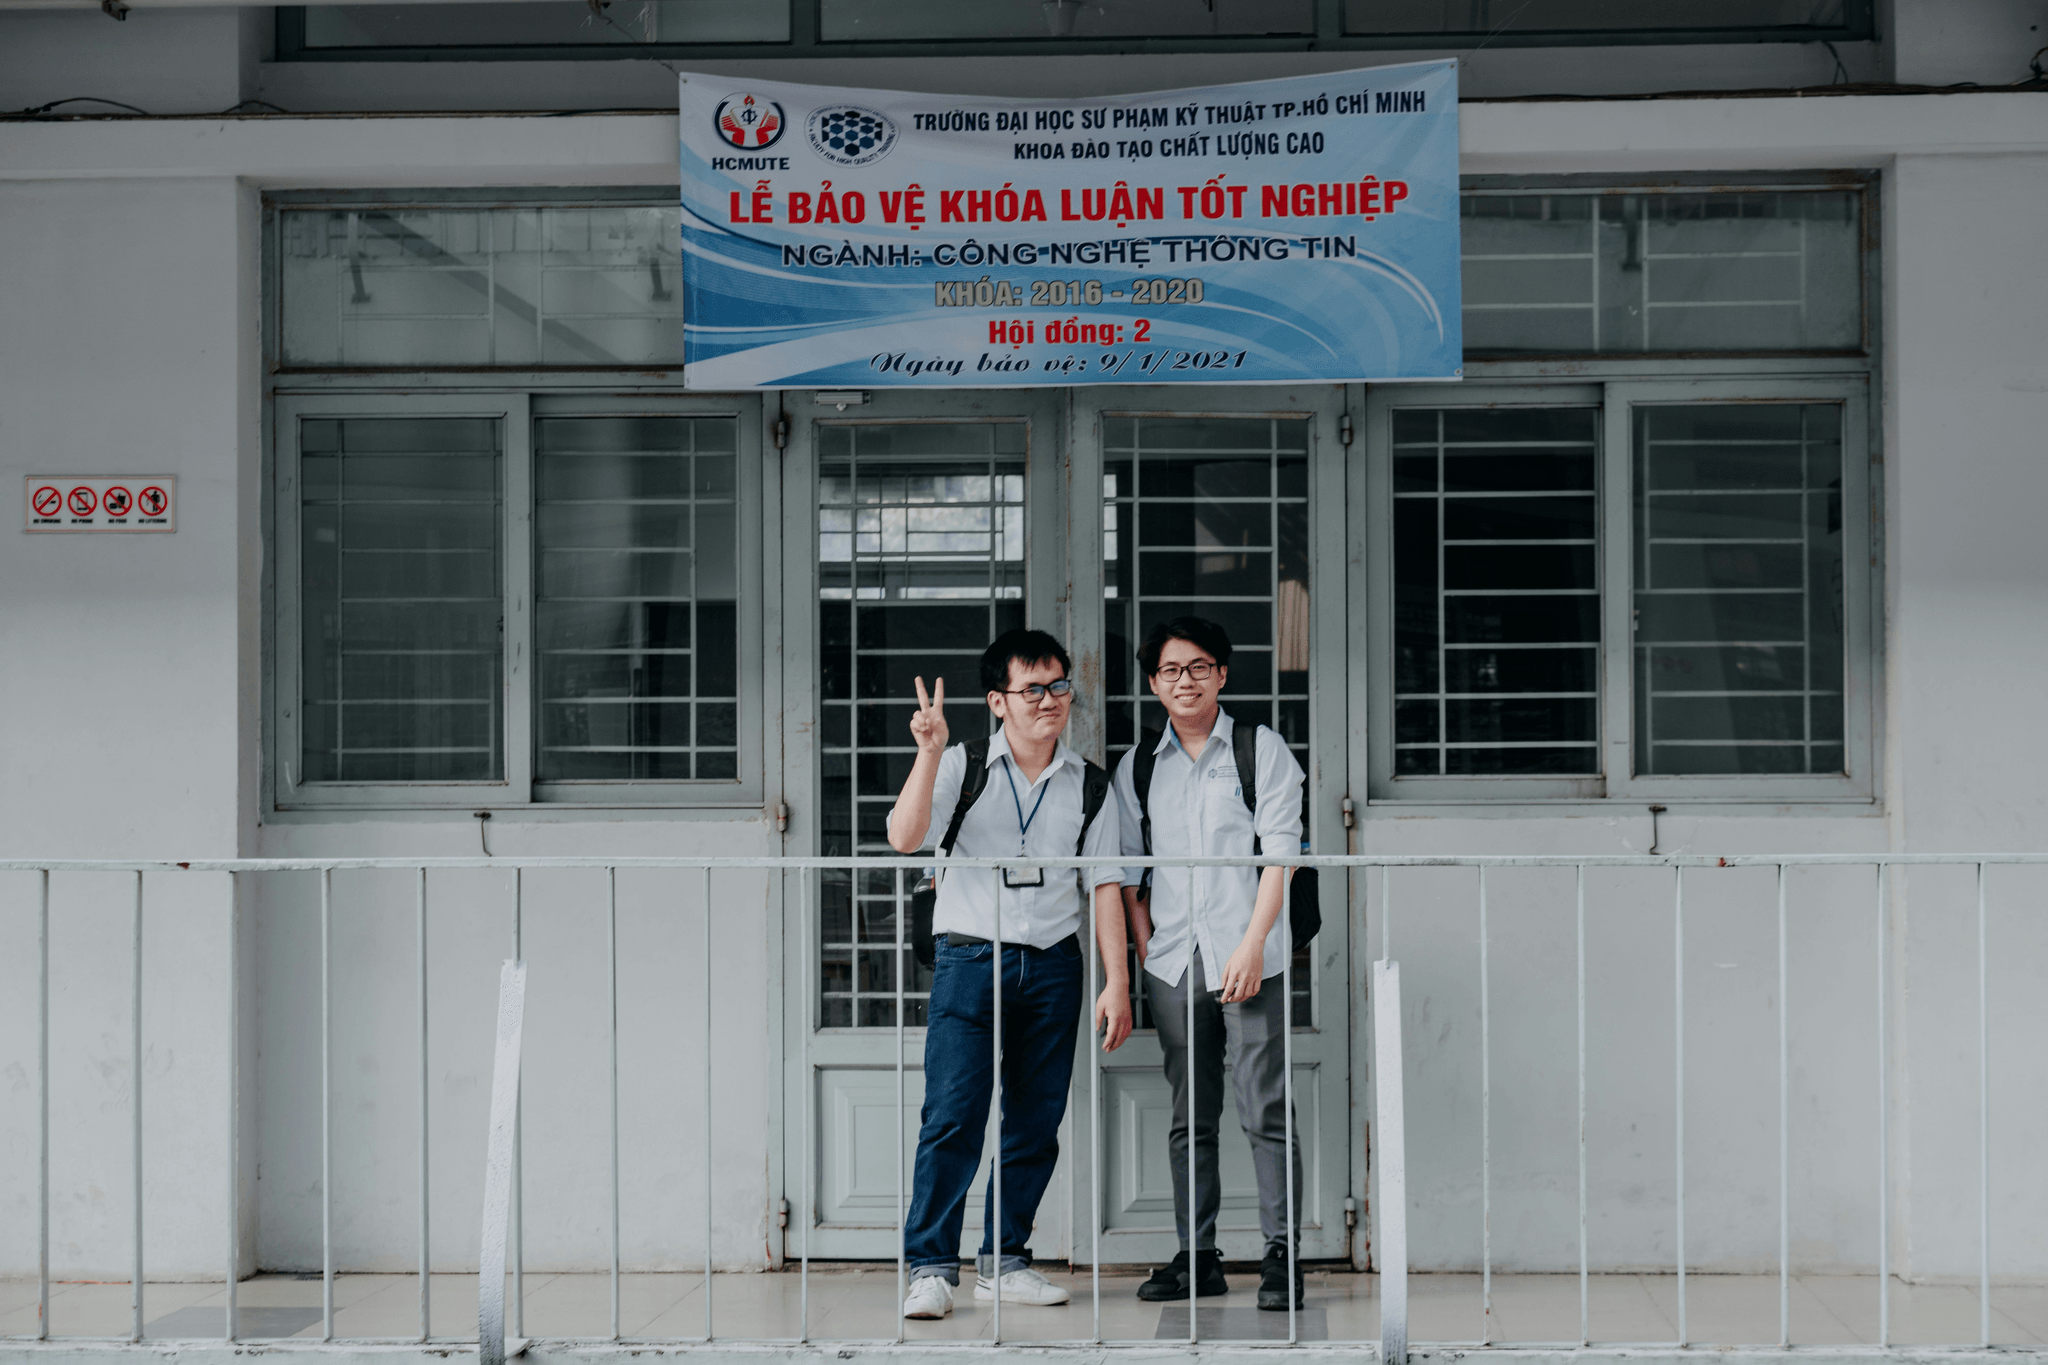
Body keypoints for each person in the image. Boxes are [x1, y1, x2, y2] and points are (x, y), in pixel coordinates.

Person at [887, 628, 1133, 1321]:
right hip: (970, 957)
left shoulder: (1090, 783)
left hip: (1054, 961)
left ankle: (1005, 1261)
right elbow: (904, 837)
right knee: (953, 1115)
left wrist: (1117, 980)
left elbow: (1105, 886)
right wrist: (927, 753)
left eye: (1060, 685)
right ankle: (932, 1267)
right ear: (999, 701)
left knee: (1033, 1121)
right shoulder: (962, 766)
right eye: (1034, 688)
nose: (1051, 699)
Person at [1114, 616, 1307, 1311]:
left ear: (1222, 674)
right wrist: (1144, 949)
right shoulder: (1140, 765)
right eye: (1170, 670)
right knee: (1188, 1117)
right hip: (1174, 958)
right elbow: (1131, 870)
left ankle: (1282, 1254)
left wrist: (1254, 944)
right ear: (1153, 683)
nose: (1184, 680)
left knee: (1266, 1107)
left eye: (1198, 667)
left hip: (1250, 950)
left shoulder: (1261, 750)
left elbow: (1281, 853)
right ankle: (1198, 1256)